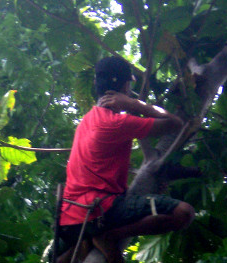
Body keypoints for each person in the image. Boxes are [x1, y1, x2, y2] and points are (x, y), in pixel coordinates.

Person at [55, 56, 197, 263]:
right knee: (185, 213)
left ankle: (90, 241)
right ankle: (109, 236)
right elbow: (176, 123)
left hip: (70, 216)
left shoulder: (87, 120)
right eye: (129, 84)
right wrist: (135, 104)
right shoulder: (116, 123)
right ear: (124, 86)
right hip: (100, 212)